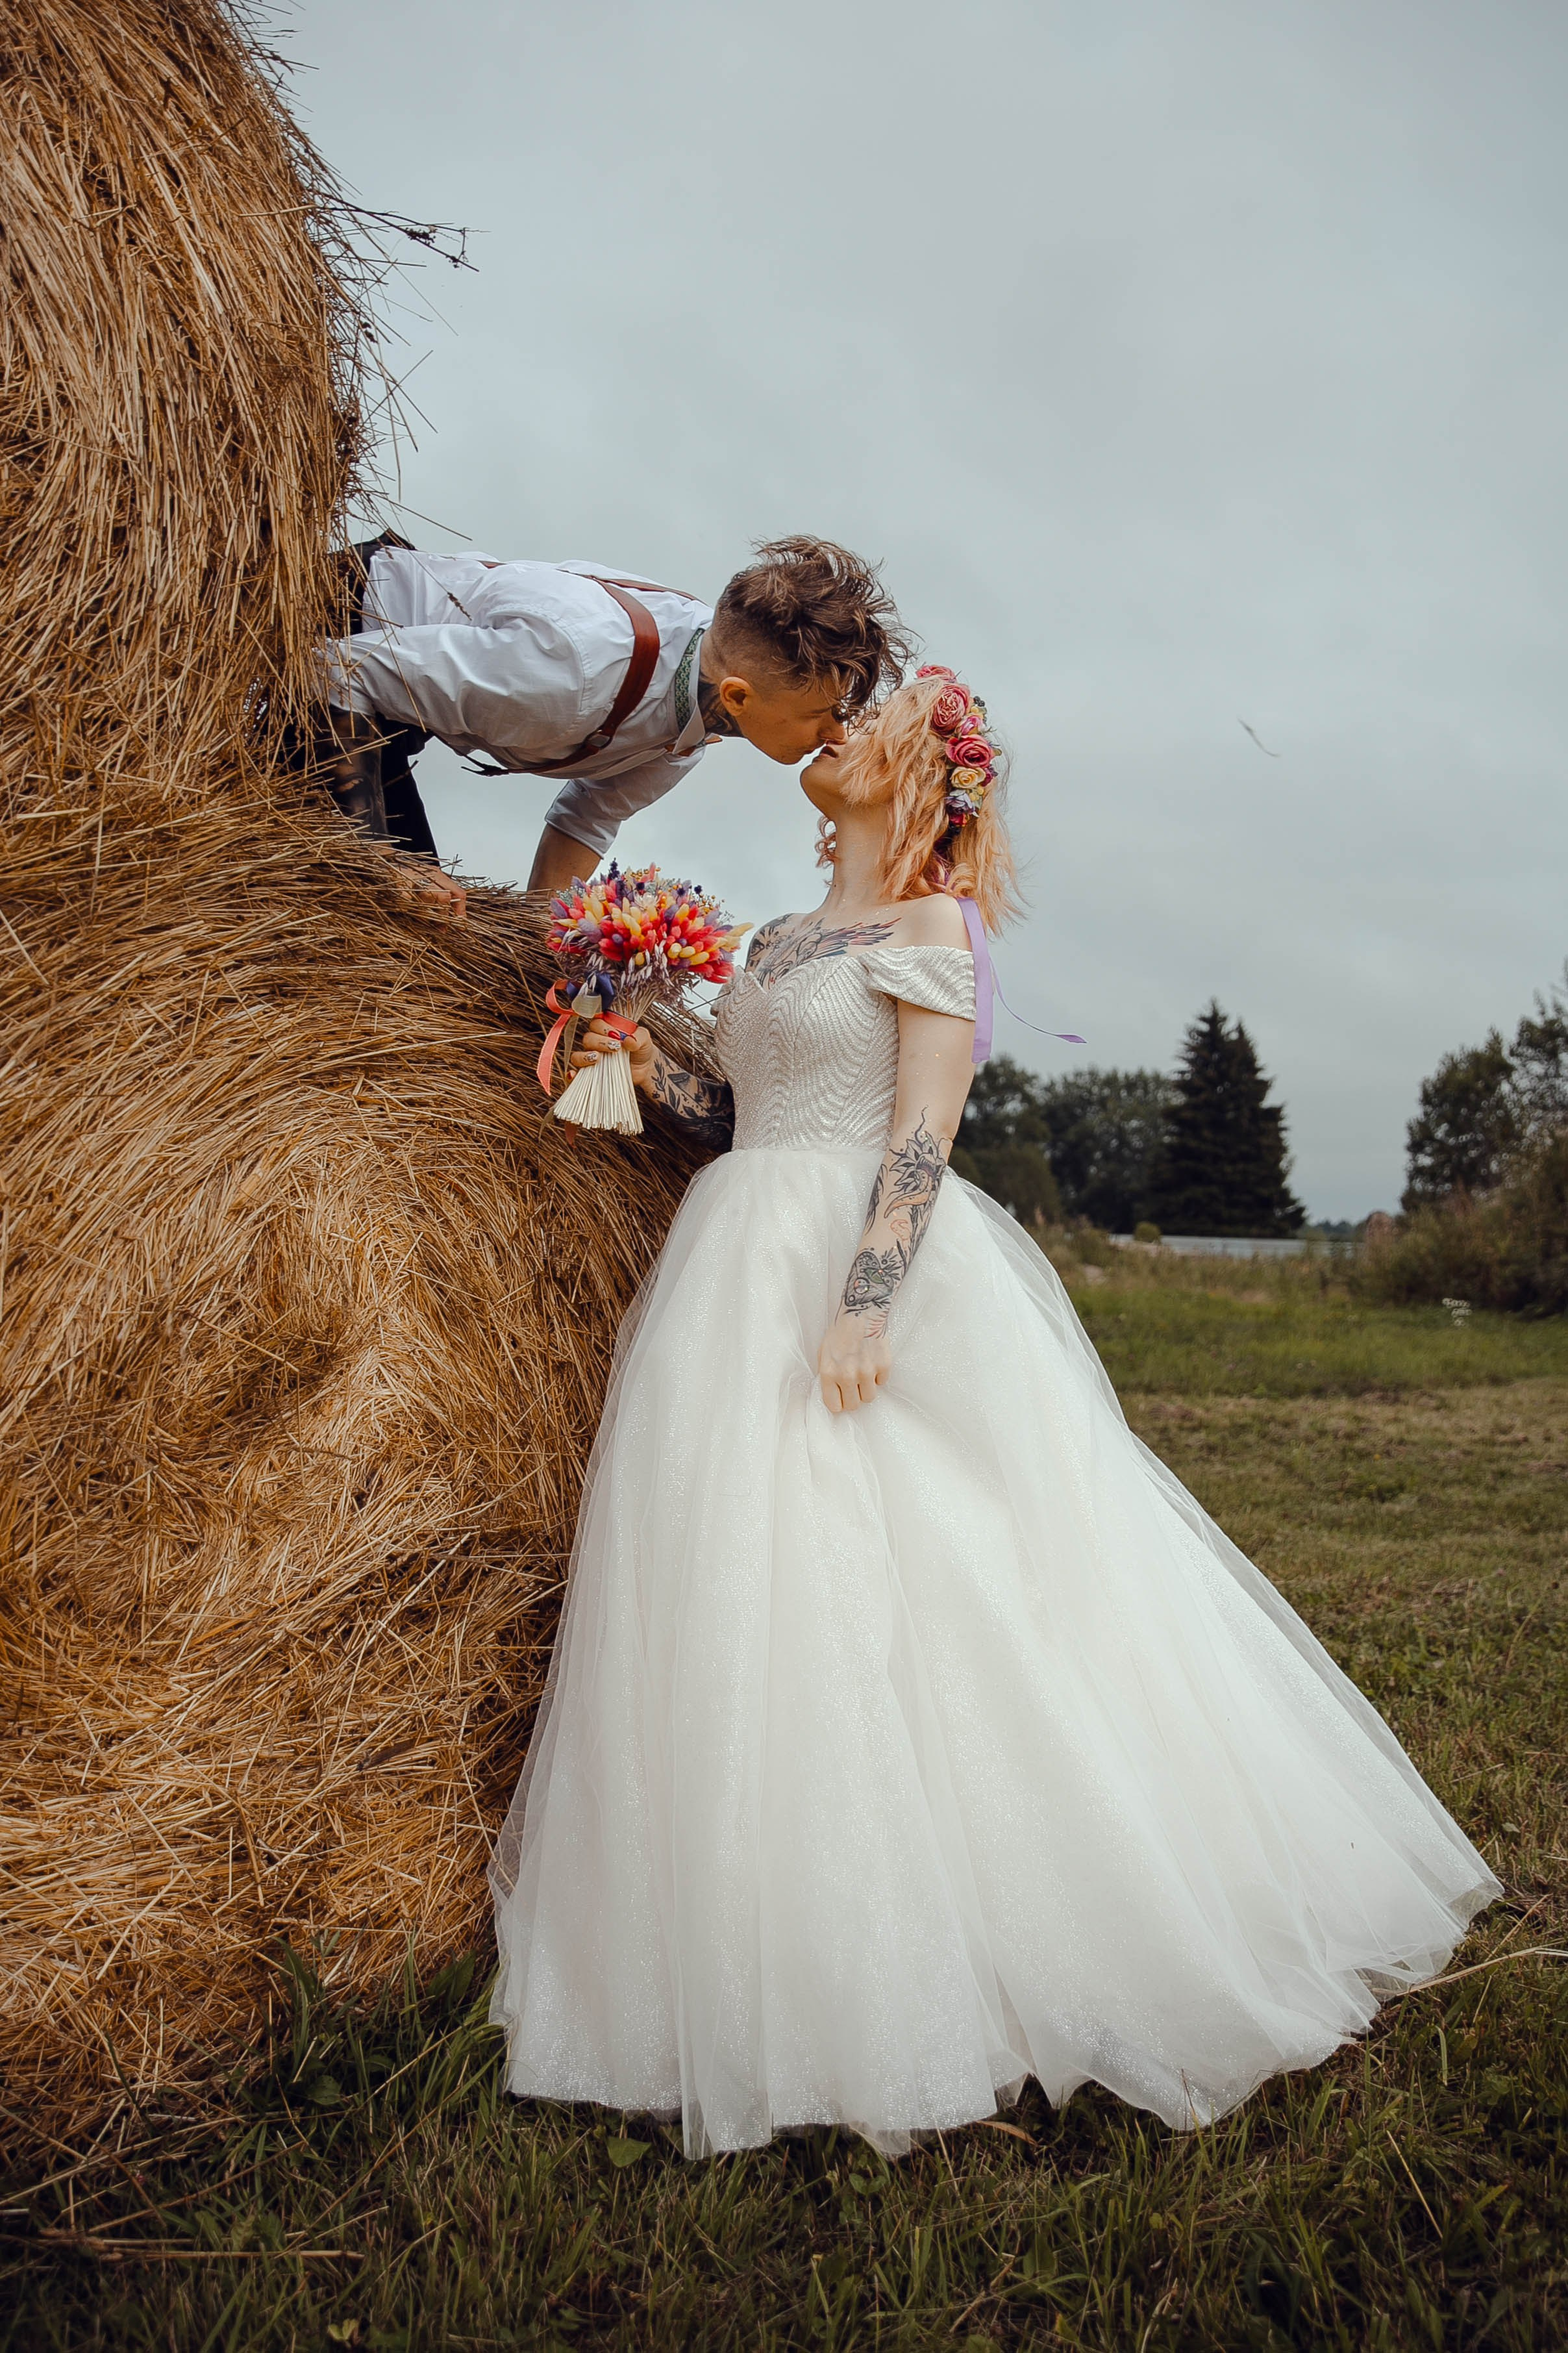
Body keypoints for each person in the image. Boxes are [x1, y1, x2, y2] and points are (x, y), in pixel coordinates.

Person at [487, 669, 1499, 2159]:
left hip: (858, 1267)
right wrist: (644, 1062)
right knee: (734, 1584)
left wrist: (867, 1299)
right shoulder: (773, 941)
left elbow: (920, 1131)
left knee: (926, 1580)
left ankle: (973, 1937)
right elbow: (742, 1120)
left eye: (870, 725)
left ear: (915, 780)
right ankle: (733, 1934)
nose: (837, 732)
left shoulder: (927, 928)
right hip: (732, 1264)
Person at [317, 533, 909, 909]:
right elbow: (336, 670)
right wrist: (382, 863)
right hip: (337, 629)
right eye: (821, 715)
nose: (837, 734)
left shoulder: (696, 709)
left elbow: (588, 817)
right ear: (737, 696)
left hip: (387, 703)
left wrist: (536, 947)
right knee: (398, 910)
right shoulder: (571, 673)